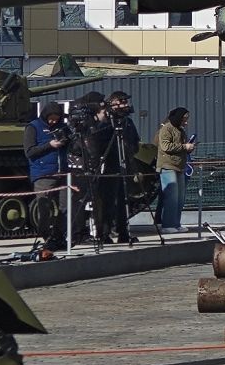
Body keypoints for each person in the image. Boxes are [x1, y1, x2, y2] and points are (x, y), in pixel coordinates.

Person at [25, 100, 78, 249]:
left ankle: (59, 235)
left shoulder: (63, 127)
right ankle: (46, 235)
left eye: (56, 118)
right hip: (43, 174)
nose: (53, 121)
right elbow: (29, 151)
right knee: (44, 209)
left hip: (62, 173)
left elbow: (73, 145)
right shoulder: (33, 127)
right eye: (51, 118)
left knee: (66, 207)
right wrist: (50, 145)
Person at [90, 90, 141, 244]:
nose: (125, 105)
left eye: (125, 102)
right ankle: (104, 233)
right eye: (121, 102)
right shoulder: (106, 123)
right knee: (107, 202)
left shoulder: (127, 122)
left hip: (125, 166)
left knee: (124, 200)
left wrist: (128, 149)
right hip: (109, 168)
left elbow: (134, 143)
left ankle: (123, 232)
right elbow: (98, 144)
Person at [155, 108, 196, 232]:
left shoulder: (181, 130)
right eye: (184, 119)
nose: (186, 123)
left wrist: (189, 148)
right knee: (171, 197)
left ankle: (176, 223)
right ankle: (167, 225)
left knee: (180, 198)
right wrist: (184, 146)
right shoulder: (166, 129)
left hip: (180, 166)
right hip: (167, 166)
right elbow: (165, 146)